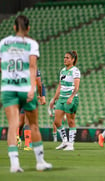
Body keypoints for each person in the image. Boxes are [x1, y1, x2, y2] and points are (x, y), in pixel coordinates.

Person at [0, 15, 52, 172]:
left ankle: (15, 165)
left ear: (14, 28)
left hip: (8, 88)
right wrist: (32, 88)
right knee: (34, 125)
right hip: (24, 88)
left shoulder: (3, 43)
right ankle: (40, 161)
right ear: (28, 28)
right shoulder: (31, 43)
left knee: (13, 125)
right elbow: (32, 66)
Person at [49, 50, 80, 151]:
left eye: (67, 58)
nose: (65, 59)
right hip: (61, 98)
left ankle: (71, 144)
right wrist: (54, 99)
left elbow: (76, 86)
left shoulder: (75, 70)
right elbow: (60, 85)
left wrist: (71, 97)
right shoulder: (62, 71)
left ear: (73, 60)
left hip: (70, 98)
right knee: (57, 121)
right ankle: (65, 141)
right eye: (64, 57)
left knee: (71, 121)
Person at [17, 69, 46, 150]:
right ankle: (28, 144)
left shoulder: (19, 68)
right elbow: (40, 84)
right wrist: (41, 96)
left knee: (21, 122)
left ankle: (18, 138)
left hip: (19, 95)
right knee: (27, 122)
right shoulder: (34, 69)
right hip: (29, 97)